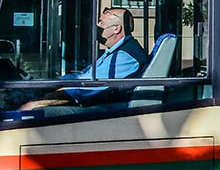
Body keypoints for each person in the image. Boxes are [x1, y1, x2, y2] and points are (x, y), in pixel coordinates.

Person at [19, 7, 148, 110]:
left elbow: (82, 88)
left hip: (103, 111)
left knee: (38, 113)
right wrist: (44, 85)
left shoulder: (125, 57)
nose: (96, 26)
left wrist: (36, 104)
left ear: (116, 29)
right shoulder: (113, 51)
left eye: (101, 23)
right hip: (93, 105)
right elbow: (81, 77)